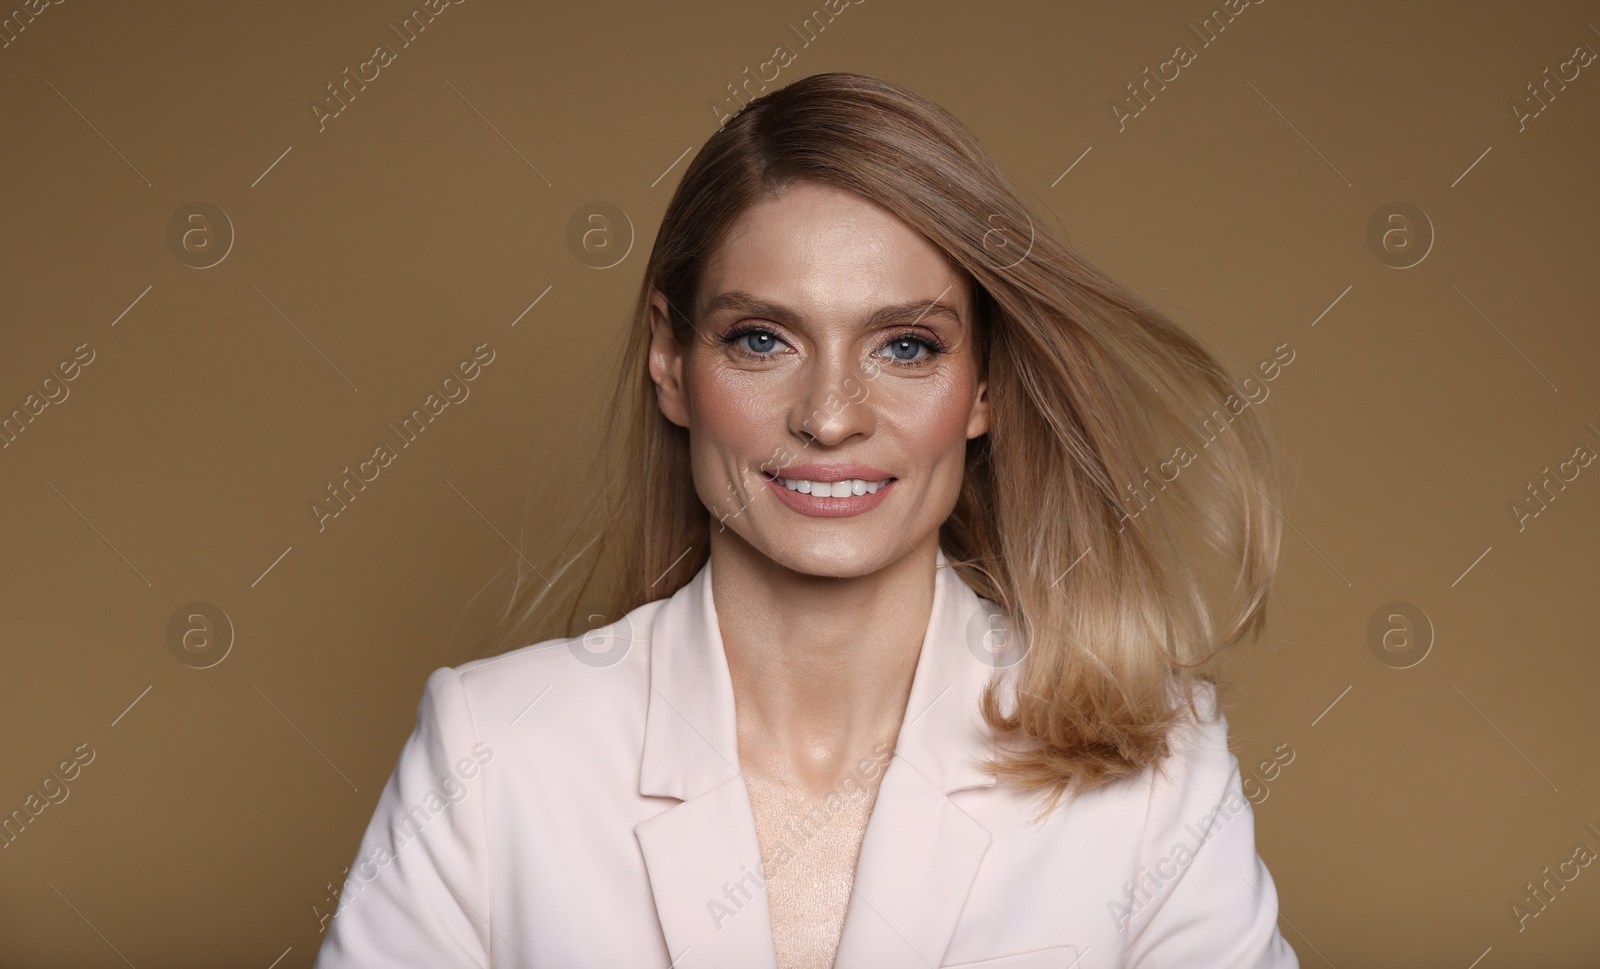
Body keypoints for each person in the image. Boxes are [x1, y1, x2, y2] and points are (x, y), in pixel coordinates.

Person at [313, 72, 1299, 968]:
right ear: (671, 360)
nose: (830, 414)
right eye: (760, 338)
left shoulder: (1159, 770)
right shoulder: (491, 751)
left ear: (985, 382)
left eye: (905, 346)